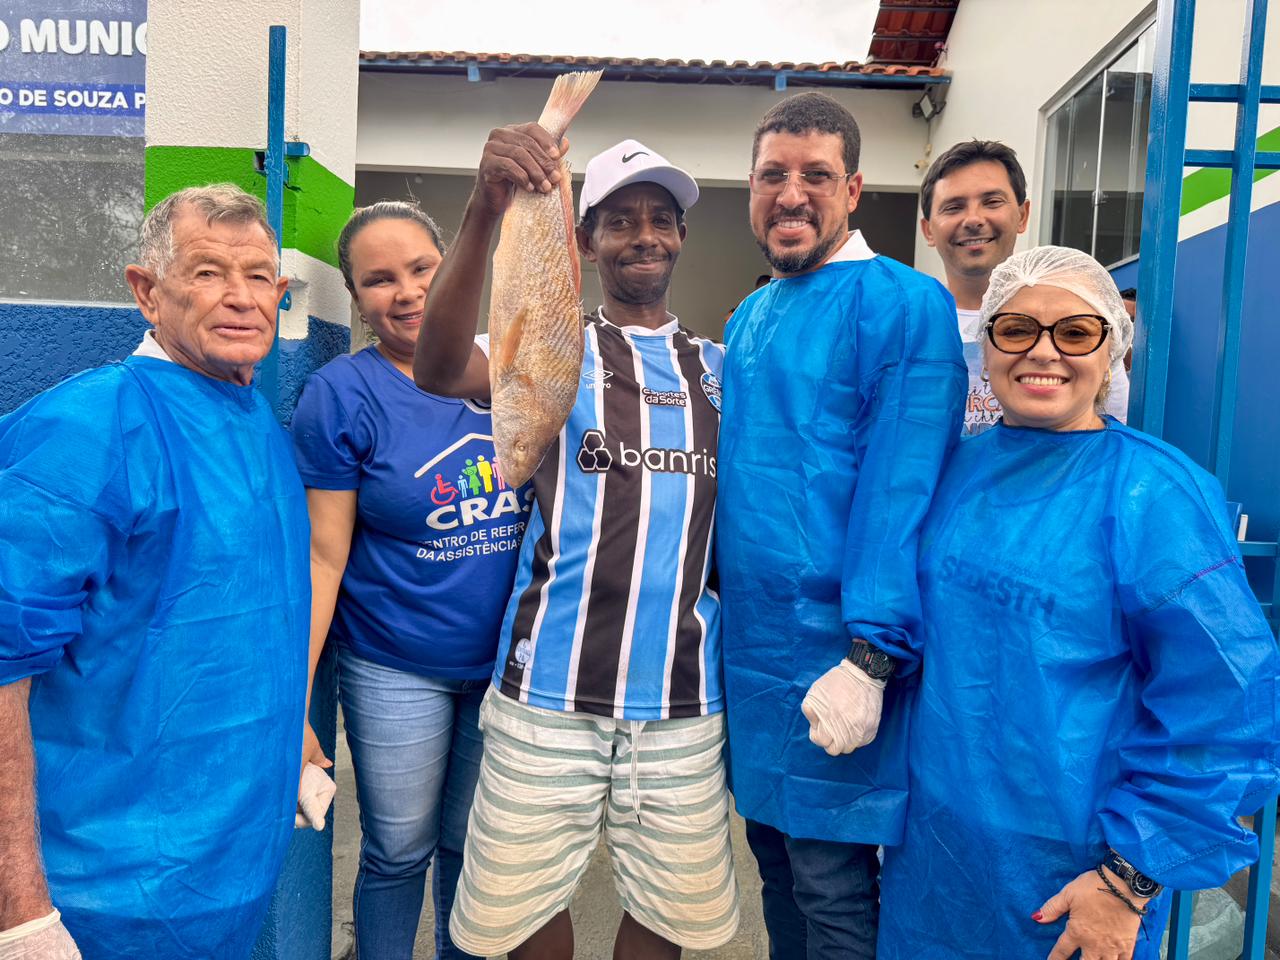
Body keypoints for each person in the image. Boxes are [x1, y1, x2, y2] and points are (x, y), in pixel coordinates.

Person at [877, 246, 1280, 960]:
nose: (1043, 352)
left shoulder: (1155, 496)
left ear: (1114, 349)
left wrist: (1128, 879)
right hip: (936, 862)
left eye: (1074, 332)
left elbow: (1225, 707)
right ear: (988, 343)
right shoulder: (954, 470)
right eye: (1017, 329)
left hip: (1077, 878)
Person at [414, 132, 739, 959]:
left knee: (672, 917)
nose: (643, 235)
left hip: (682, 700)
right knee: (515, 915)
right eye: (621, 220)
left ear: (681, 236)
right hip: (547, 692)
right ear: (586, 240)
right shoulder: (554, 344)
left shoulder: (724, 370)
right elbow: (437, 365)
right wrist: (485, 212)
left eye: (660, 219)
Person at [0, 185, 312, 959]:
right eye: (207, 272)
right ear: (146, 291)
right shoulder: (87, 429)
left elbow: (250, 612)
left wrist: (290, 737)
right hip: (103, 893)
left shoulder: (256, 423)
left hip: (233, 869)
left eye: (258, 276)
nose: (240, 298)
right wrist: (21, 910)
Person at [716, 91, 967, 958]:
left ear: (854, 188)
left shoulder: (901, 304)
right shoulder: (751, 317)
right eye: (772, 176)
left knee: (831, 887)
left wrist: (870, 656)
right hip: (751, 657)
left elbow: (902, 488)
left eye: (816, 175)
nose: (792, 195)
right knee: (774, 867)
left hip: (838, 651)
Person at [291, 201, 529, 960]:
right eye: (379, 280)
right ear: (356, 299)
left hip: (506, 669)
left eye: (422, 268)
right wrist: (293, 705)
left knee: (471, 848)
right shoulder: (340, 395)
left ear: (454, 264)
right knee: (398, 851)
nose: (407, 292)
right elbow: (323, 559)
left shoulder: (512, 372)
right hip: (395, 666)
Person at [920, 138, 1129, 432]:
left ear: (1023, 215)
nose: (973, 219)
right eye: (953, 207)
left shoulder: (1080, 326)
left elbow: (1109, 430)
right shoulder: (909, 324)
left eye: (992, 202)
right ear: (928, 229)